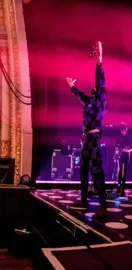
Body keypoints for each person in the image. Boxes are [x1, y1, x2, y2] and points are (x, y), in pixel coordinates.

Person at [66, 41, 107, 218]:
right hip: (86, 139)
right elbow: (81, 96)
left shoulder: (101, 101)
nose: (94, 87)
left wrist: (99, 61)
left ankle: (103, 206)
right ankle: (83, 199)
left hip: (94, 139)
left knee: (96, 170)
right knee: (83, 168)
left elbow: (100, 80)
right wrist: (72, 87)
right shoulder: (90, 101)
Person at [116, 122, 131, 196]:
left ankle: (123, 187)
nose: (123, 132)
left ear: (126, 129)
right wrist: (118, 150)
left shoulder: (129, 136)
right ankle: (119, 187)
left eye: (124, 130)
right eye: (121, 131)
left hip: (127, 155)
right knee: (120, 171)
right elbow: (116, 145)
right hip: (120, 155)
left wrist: (127, 149)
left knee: (125, 171)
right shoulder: (119, 136)